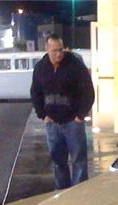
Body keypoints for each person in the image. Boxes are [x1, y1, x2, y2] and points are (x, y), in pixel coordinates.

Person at [30, 34, 95, 189]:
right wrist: (42, 115)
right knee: (58, 161)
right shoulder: (41, 68)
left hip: (73, 122)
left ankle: (79, 192)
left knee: (78, 160)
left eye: (61, 50)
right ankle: (61, 192)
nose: (59, 54)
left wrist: (80, 115)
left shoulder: (75, 65)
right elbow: (35, 92)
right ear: (47, 49)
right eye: (55, 51)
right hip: (52, 123)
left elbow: (88, 91)